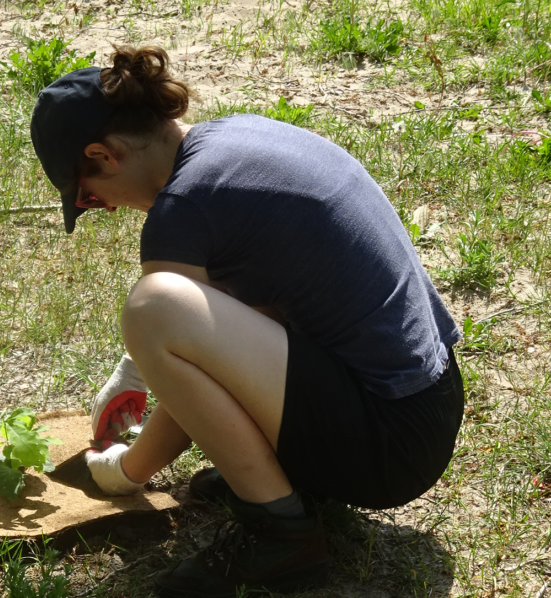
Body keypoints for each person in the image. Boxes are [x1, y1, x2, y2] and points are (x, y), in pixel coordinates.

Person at [29, 46, 464, 597]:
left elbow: (175, 335)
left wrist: (126, 471)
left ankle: (280, 532)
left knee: (151, 306)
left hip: (386, 446)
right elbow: (234, 328)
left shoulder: (184, 207)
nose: (104, 208)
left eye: (88, 196)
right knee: (168, 313)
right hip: (430, 402)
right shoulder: (238, 138)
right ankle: (291, 481)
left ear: (105, 155)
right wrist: (137, 375)